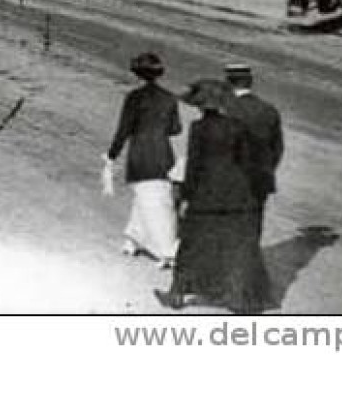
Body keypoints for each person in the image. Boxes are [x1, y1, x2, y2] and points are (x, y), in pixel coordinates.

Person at [156, 79, 274, 314]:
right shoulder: (239, 128)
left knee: (191, 243)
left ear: (201, 107)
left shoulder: (199, 129)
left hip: (206, 196)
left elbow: (194, 167)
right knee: (236, 245)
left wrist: (185, 196)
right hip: (236, 195)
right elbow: (247, 163)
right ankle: (239, 300)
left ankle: (177, 293)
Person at [103, 52, 181, 267]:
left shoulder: (134, 98)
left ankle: (165, 251)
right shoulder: (169, 98)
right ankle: (133, 239)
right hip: (164, 154)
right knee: (157, 199)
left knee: (148, 200)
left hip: (140, 155)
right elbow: (176, 129)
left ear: (137, 74)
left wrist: (111, 155)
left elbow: (123, 130)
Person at [223, 63, 283, 242]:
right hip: (260, 177)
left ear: (228, 82)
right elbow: (277, 147)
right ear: (250, 82)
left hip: (230, 178)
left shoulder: (226, 109)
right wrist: (266, 168)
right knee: (253, 224)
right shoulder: (269, 110)